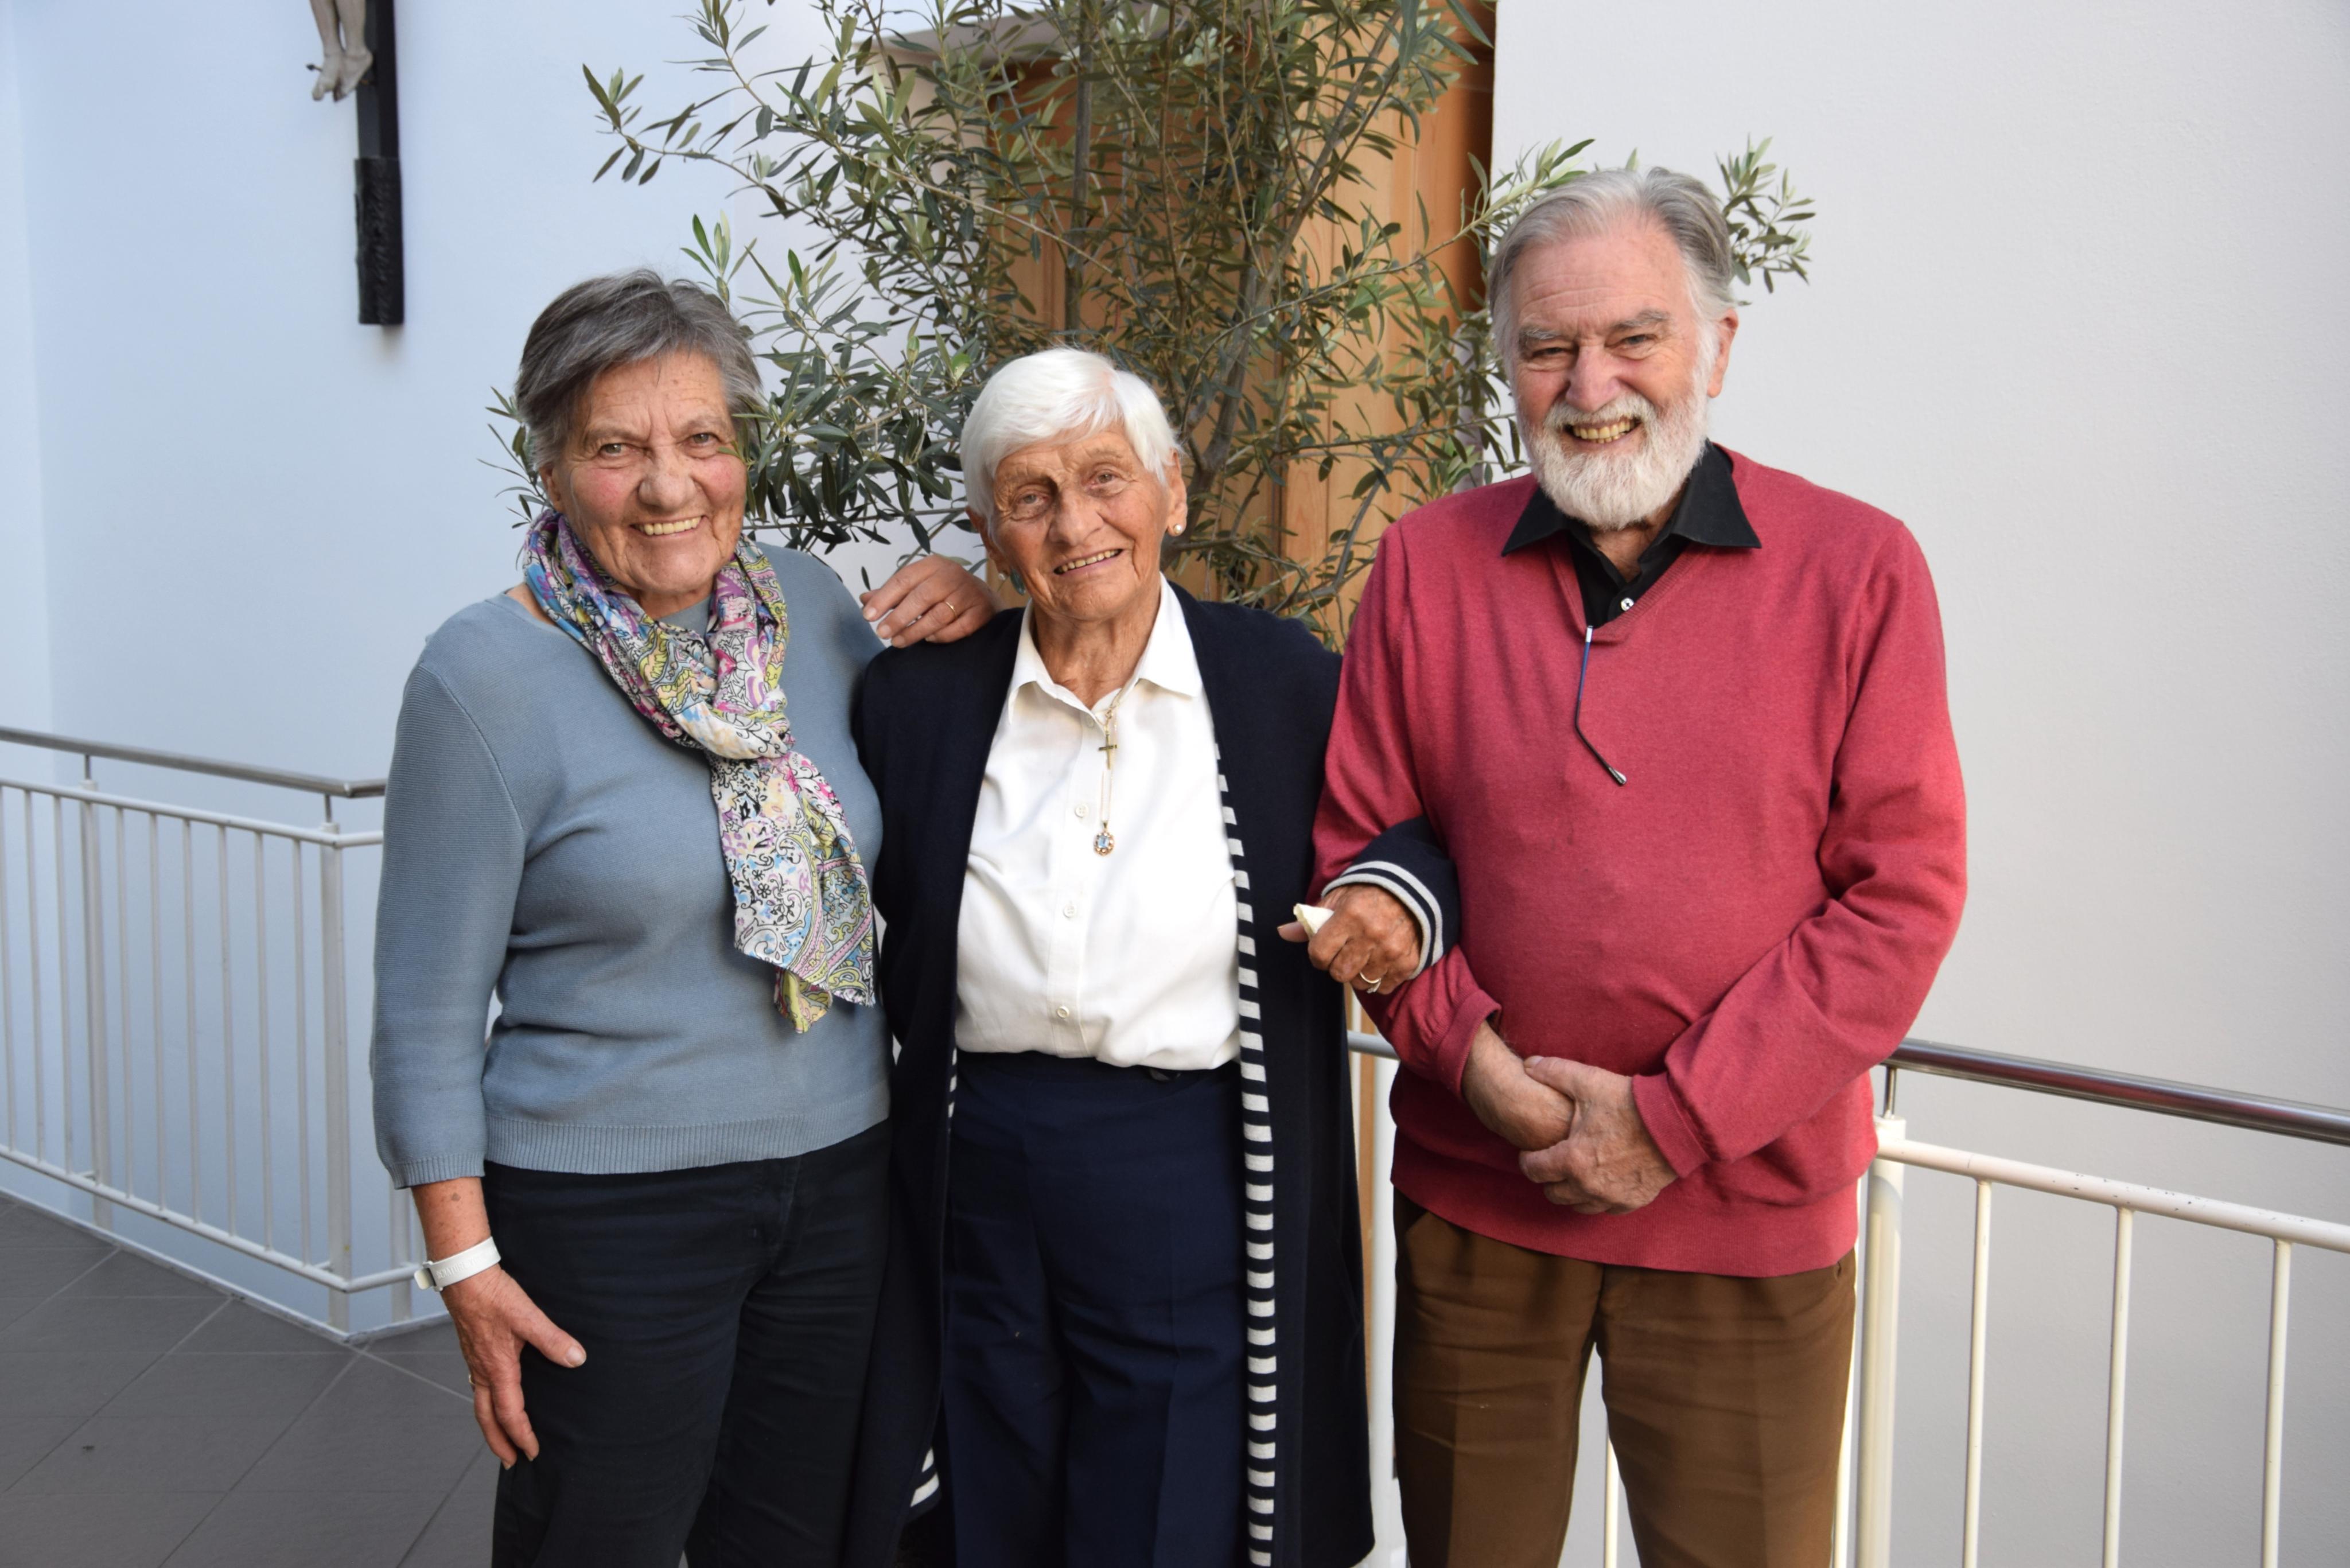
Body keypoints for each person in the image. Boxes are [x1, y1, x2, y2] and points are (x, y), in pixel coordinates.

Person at [1307, 168, 1968, 1567]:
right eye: (1546, 346)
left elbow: (1899, 899)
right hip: (1480, 1201)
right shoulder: (1424, 564)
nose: (1589, 384)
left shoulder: (1858, 569)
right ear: (1505, 367)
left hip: (1747, 1214)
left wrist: (1671, 1120)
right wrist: (1478, 1070)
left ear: (1715, 346)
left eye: (1633, 337)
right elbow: (1361, 855)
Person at [368, 269, 995, 1568]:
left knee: (798, 1542)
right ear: (551, 468)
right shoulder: (483, 674)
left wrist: (980, 606)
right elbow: (424, 1013)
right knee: (596, 1539)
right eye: (617, 448)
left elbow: (936, 769)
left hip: (840, 1183)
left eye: (701, 438)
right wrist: (465, 1267)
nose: (669, 486)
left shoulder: (812, 610)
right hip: (607, 1213)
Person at [843, 348, 1453, 1568]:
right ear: (989, 533)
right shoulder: (921, 700)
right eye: (1030, 497)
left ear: (1172, 490)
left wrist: (1391, 895)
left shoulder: (1279, 682)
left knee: (1168, 1496)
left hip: (1186, 1156)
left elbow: (1420, 821)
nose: (1076, 525)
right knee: (985, 1475)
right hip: (977, 1150)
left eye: (1105, 478)